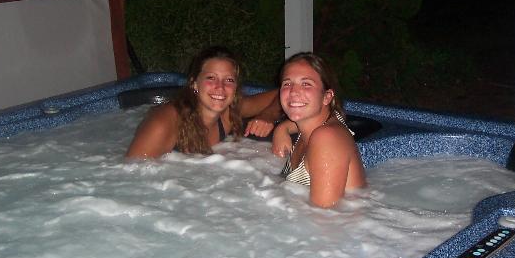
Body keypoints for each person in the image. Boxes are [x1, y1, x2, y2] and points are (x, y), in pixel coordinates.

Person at [126, 46, 282, 159]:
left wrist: (269, 114)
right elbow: (132, 174)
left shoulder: (229, 112)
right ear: (194, 83)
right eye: (211, 78)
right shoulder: (163, 124)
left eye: (229, 80)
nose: (220, 87)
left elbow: (283, 93)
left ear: (236, 87)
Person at [272, 52, 366, 207]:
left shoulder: (327, 138)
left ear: (327, 97)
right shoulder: (312, 124)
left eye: (306, 84)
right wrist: (282, 129)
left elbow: (324, 215)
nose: (293, 91)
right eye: (287, 84)